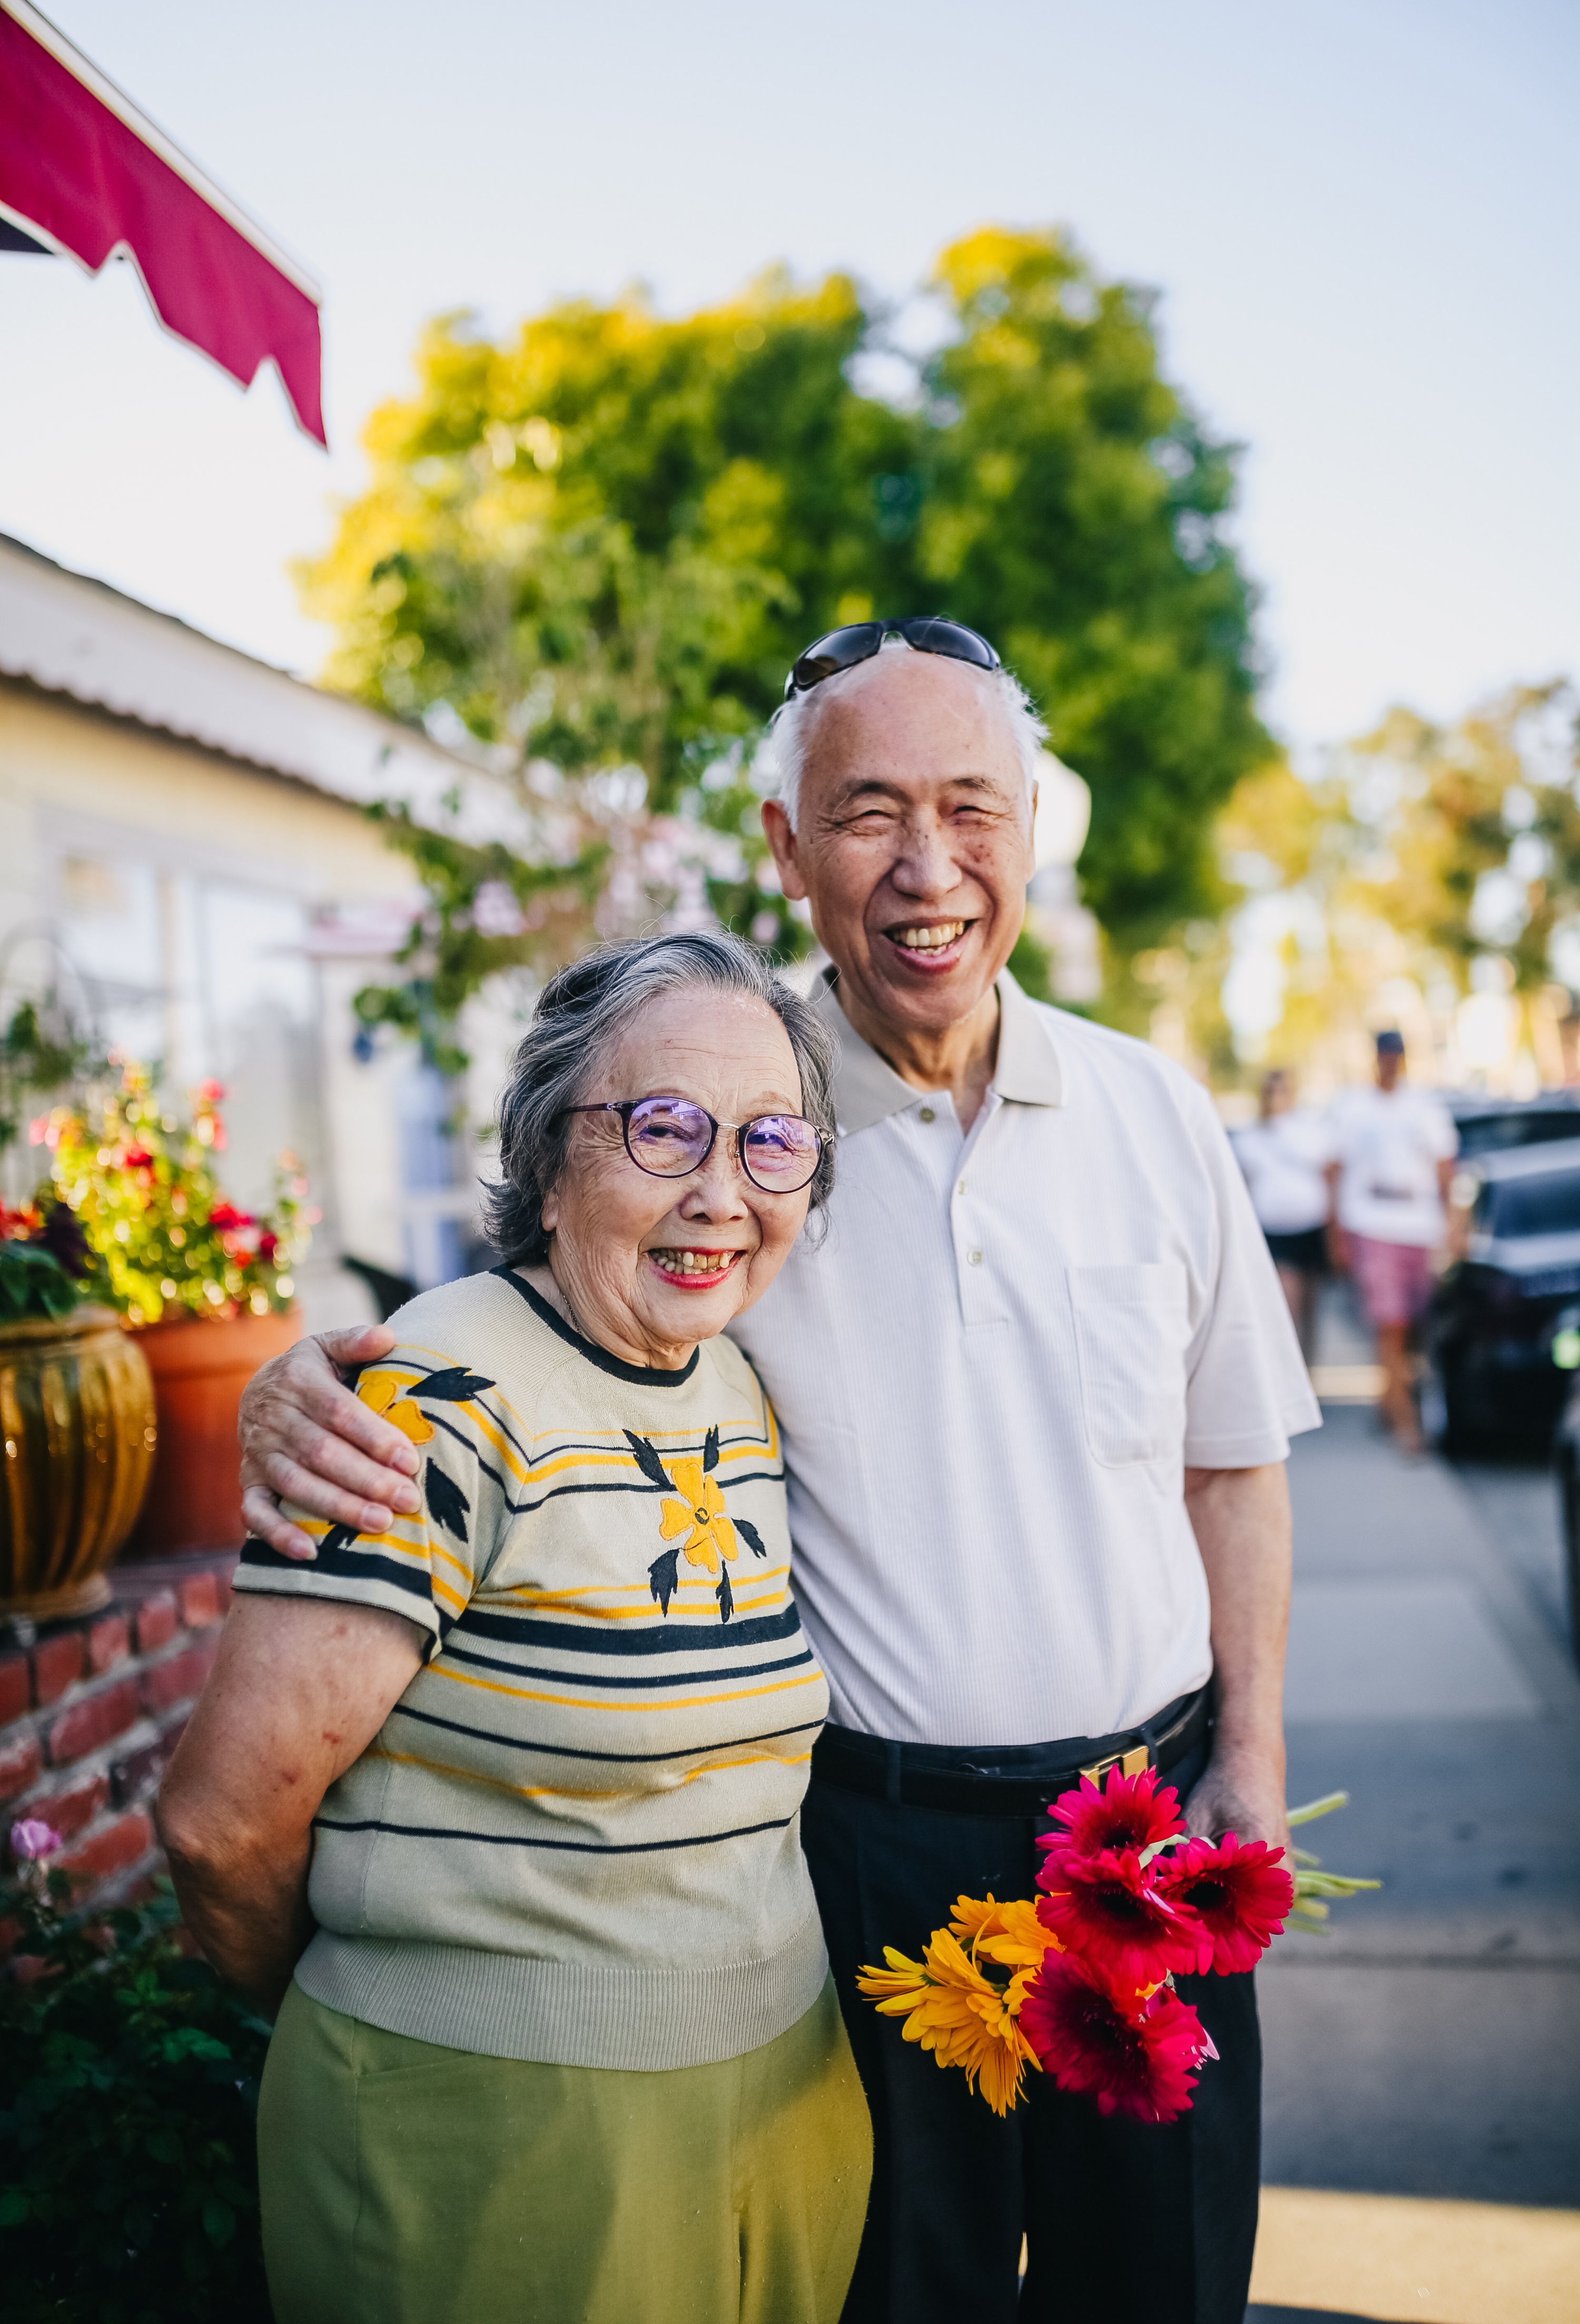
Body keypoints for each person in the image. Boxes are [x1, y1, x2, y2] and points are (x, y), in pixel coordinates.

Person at [237, 617, 1319, 2324]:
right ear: (785, 848)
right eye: (868, 810)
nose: (927, 867)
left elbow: (1234, 1460)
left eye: (974, 808)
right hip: (870, 1857)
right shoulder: (744, 1130)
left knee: (1166, 2287)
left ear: (1033, 827)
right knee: (901, 2298)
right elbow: (541, 1292)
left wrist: (1249, 1754)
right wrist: (297, 1375)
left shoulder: (1155, 1112)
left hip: (1150, 1830)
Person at [155, 933, 872, 2324]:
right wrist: (394, 2009)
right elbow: (219, 1822)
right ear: (549, 1158)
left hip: (779, 2104)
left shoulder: (737, 1380)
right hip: (489, 2139)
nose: (721, 1190)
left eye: (771, 1142)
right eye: (664, 1129)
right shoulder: (434, 1394)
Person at [1326, 1029, 1457, 1451]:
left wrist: (1453, 1225)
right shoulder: (1353, 1107)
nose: (1390, 1062)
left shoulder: (1424, 1107)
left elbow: (1445, 1169)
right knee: (1391, 1324)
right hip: (1373, 1223)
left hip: (1418, 1226)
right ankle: (1406, 1426)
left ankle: (1390, 1402)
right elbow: (1335, 1171)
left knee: (1414, 1326)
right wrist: (1337, 1236)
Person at [1231, 1067, 1332, 1361]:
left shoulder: (1311, 1130)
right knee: (1289, 1308)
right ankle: (1290, 1371)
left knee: (1310, 1309)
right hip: (1275, 1231)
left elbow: (1329, 1174)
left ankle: (1308, 1373)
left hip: (1311, 1229)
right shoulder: (1250, 1137)